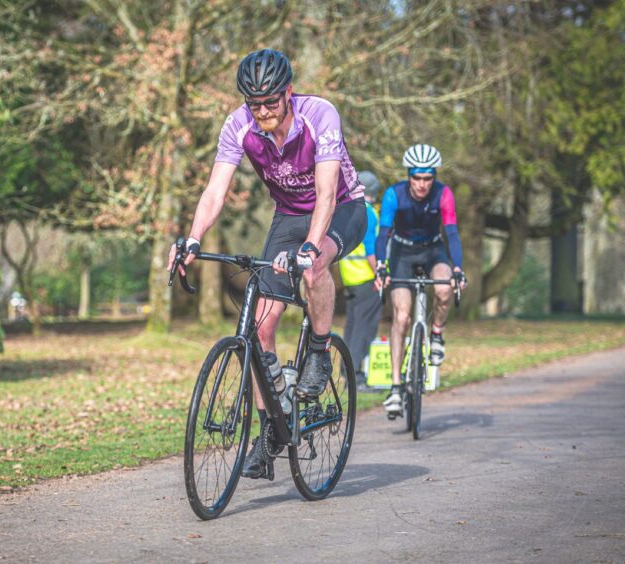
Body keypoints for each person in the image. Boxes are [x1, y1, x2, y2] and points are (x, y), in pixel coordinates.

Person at [167, 48, 367, 478]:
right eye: (253, 103)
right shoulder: (238, 126)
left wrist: (311, 248)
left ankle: (318, 349)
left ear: (288, 93)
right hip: (288, 216)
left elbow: (328, 193)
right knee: (259, 327)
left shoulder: (320, 115)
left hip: (342, 209)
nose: (262, 112)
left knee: (314, 267)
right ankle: (272, 427)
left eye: (270, 102)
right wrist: (192, 238)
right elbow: (215, 191)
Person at [374, 144, 467, 415]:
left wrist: (458, 268)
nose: (423, 184)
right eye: (417, 177)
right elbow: (383, 235)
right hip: (402, 252)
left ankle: (437, 333)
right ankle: (395, 386)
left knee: (444, 288)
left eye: (428, 178)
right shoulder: (394, 194)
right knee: (401, 316)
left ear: (434, 177)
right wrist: (382, 264)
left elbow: (451, 233)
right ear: (409, 175)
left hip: (432, 249)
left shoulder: (443, 194)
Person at [338, 170, 382, 392]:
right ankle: (356, 376)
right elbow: (371, 251)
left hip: (350, 278)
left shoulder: (347, 212)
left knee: (353, 326)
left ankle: (347, 371)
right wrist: (380, 275)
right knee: (365, 328)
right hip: (366, 277)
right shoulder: (370, 213)